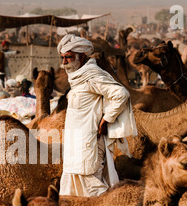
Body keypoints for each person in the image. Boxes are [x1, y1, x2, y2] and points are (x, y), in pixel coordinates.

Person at [57, 34, 137, 197]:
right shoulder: (78, 78)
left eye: (69, 57)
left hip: (89, 143)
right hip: (76, 144)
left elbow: (121, 94)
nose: (64, 62)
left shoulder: (92, 76)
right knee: (73, 189)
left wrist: (106, 119)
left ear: (82, 56)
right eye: (63, 57)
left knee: (92, 189)